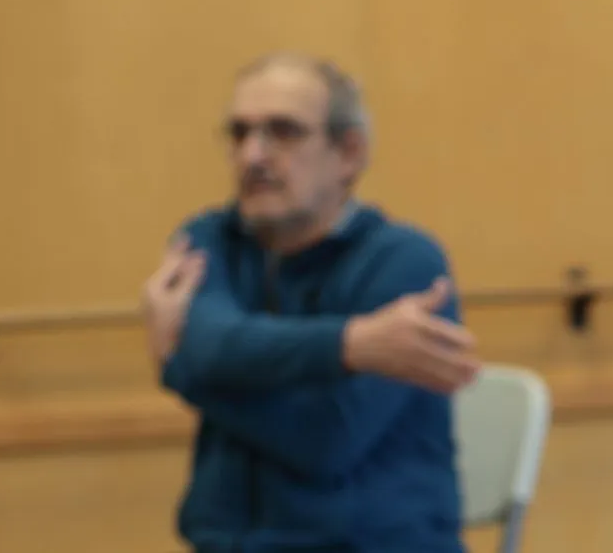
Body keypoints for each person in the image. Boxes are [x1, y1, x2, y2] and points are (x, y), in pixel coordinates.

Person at [138, 52, 483, 552]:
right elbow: (208, 343)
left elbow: (326, 439)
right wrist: (349, 344)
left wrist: (179, 370)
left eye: (283, 132)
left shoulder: (407, 262)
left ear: (349, 153)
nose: (252, 156)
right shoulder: (208, 241)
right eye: (239, 133)